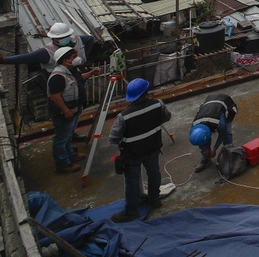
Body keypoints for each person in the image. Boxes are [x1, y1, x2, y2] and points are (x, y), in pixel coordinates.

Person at [3, 22, 97, 142]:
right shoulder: (49, 55)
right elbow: (26, 58)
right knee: (63, 122)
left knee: (76, 112)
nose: (62, 40)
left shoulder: (77, 41)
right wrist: (4, 60)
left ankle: (71, 135)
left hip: (76, 81)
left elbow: (90, 39)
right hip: (63, 89)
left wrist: (84, 61)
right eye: (58, 39)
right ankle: (64, 149)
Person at [107, 78, 170, 222]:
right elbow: (166, 117)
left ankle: (131, 212)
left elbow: (113, 138)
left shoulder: (124, 116)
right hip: (153, 147)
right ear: (146, 92)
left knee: (132, 181)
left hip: (133, 153)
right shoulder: (157, 104)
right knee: (154, 173)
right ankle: (155, 199)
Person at [46, 46, 101, 173]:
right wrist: (66, 111)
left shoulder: (70, 71)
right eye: (73, 57)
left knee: (69, 134)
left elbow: (79, 79)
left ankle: (70, 155)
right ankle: (62, 163)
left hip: (74, 109)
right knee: (61, 138)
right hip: (63, 113)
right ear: (66, 61)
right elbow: (55, 97)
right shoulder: (58, 77)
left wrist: (91, 73)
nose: (77, 59)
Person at [189, 92, 237, 173]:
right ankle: (205, 160)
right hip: (210, 105)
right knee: (202, 140)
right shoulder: (194, 126)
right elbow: (199, 139)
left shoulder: (220, 123)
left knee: (227, 134)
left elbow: (223, 133)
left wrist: (215, 148)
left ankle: (229, 154)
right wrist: (205, 151)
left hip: (227, 105)